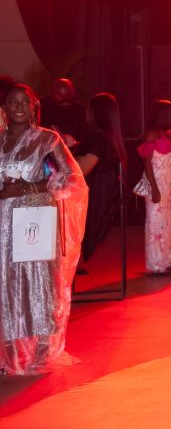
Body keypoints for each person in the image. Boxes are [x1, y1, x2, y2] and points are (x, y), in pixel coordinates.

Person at [0, 84, 87, 374]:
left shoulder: (47, 139)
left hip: (33, 219)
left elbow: (71, 177)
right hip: (3, 223)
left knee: (40, 282)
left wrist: (27, 188)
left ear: (34, 106)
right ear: (4, 107)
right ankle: (9, 354)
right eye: (12, 102)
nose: (18, 107)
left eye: (25, 102)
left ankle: (41, 349)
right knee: (6, 283)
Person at [74, 93, 127, 270]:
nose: (86, 112)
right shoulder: (109, 138)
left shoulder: (96, 138)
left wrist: (62, 151)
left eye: (89, 108)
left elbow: (80, 170)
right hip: (103, 199)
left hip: (92, 201)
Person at [139, 100, 171, 275]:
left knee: (169, 222)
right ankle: (156, 264)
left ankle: (167, 261)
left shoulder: (168, 133)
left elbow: (170, 157)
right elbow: (147, 164)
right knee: (156, 224)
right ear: (164, 114)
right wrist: (154, 188)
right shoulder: (152, 135)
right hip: (157, 182)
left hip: (170, 183)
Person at [40, 78, 88, 149]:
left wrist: (75, 142)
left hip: (73, 150)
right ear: (52, 94)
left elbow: (85, 137)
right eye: (61, 100)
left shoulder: (79, 110)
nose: (65, 103)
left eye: (67, 100)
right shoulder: (45, 107)